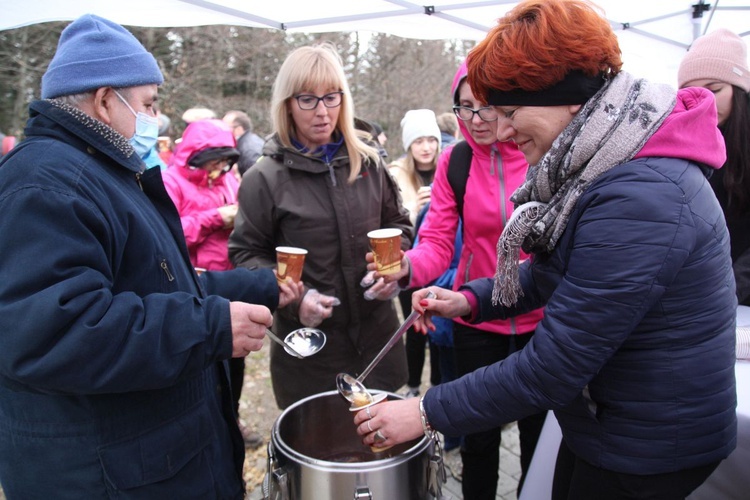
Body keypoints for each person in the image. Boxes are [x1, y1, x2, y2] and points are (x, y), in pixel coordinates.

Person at [354, 1, 737, 499]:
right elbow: (559, 274)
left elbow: (554, 366)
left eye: (510, 113)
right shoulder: (607, 162)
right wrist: (471, 299)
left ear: (570, 100)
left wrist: (424, 410)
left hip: (649, 440)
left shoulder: (641, 192)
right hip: (609, 419)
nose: (505, 131)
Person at [0, 15, 299, 498]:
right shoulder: (47, 185)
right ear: (103, 101)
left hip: (148, 459)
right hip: (105, 474)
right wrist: (209, 327)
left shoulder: (105, 173)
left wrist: (263, 287)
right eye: (147, 104)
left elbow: (162, 283)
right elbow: (59, 332)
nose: (155, 118)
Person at [372, 60, 546, 498]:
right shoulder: (457, 162)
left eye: (487, 106)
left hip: (540, 321)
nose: (475, 119)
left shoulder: (540, 151)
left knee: (537, 442)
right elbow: (435, 244)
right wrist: (407, 267)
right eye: (464, 107)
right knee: (479, 441)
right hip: (476, 319)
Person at [228, 43, 413, 410]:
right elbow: (245, 254)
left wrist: (396, 268)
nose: (323, 112)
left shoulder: (370, 163)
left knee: (385, 452)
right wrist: (298, 301)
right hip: (312, 353)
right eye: (308, 100)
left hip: (379, 343)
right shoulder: (264, 178)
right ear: (287, 104)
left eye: (332, 97)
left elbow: (399, 224)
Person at [162, 118, 276, 449]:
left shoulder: (227, 180)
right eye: (214, 159)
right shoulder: (172, 182)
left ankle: (232, 416)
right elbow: (167, 237)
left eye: (225, 160)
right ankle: (204, 426)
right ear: (195, 156)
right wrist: (216, 219)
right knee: (203, 360)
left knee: (235, 356)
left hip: (231, 282)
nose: (220, 167)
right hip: (195, 286)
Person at [678, 28, 750, 306]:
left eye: (715, 89)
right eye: (691, 93)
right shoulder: (682, 149)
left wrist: (729, 288)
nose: (704, 101)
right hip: (702, 297)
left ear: (740, 89)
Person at [388, 109, 442, 399]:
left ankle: (438, 384)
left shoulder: (448, 168)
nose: (426, 147)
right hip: (408, 261)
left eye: (431, 140)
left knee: (439, 325)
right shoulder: (397, 175)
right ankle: (411, 385)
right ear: (409, 145)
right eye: (419, 141)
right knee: (413, 324)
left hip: (440, 262)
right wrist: (417, 213)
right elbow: (392, 222)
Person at [223, 110, 265, 176]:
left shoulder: (249, 150)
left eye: (225, 127)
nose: (221, 130)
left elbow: (255, 179)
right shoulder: (252, 139)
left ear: (238, 129)